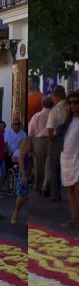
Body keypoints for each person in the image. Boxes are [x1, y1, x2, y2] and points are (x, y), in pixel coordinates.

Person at [59, 92, 79, 226]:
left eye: (75, 102)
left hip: (78, 157)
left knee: (78, 190)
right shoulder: (68, 121)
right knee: (71, 190)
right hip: (67, 158)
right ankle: (74, 218)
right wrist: (65, 118)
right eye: (70, 103)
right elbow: (59, 134)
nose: (72, 105)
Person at [45, 85, 67, 202]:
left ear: (56, 96)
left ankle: (56, 194)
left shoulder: (55, 109)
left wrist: (51, 141)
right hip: (70, 139)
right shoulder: (69, 107)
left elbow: (50, 129)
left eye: (53, 96)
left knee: (55, 168)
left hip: (57, 140)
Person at [30, 96, 53, 196]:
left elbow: (30, 132)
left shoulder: (37, 116)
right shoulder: (54, 115)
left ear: (42, 104)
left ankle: (39, 186)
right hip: (52, 140)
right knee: (49, 164)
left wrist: (30, 147)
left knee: (38, 164)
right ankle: (46, 185)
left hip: (38, 141)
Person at [10, 137, 30, 225]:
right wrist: (23, 175)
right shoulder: (26, 141)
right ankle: (16, 211)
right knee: (22, 196)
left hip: (33, 171)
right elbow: (21, 158)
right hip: (25, 171)